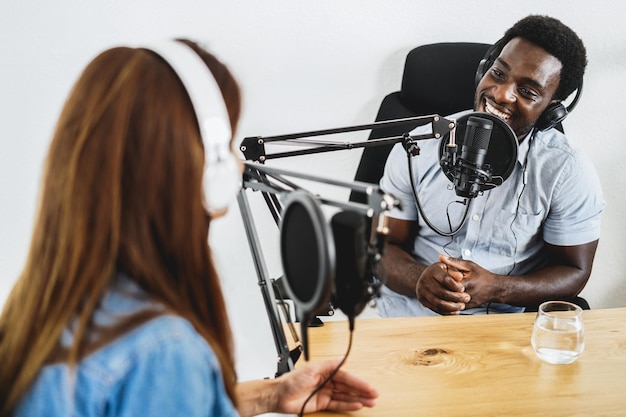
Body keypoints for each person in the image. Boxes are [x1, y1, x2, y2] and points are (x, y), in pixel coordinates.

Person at [0, 39, 378, 416]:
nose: (240, 166)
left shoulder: (47, 305)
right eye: (226, 144)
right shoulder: (164, 350)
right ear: (202, 171)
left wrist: (270, 394)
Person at [376, 15, 605, 317]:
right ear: (484, 69)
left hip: (501, 331)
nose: (501, 94)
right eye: (498, 73)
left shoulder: (567, 170)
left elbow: (574, 270)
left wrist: (498, 287)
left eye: (527, 91)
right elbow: (383, 247)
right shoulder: (418, 146)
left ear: (552, 110)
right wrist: (418, 278)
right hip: (408, 318)